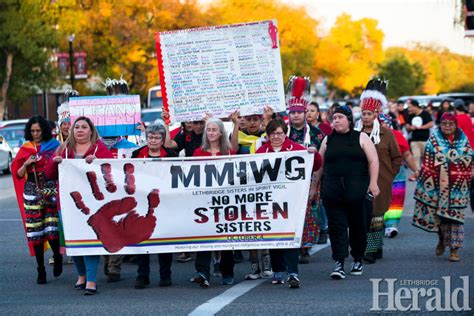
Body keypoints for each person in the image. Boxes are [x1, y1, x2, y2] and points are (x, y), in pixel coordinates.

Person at [45, 116, 114, 295]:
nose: (80, 130)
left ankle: (91, 280)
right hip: (67, 205)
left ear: (91, 130)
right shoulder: (63, 148)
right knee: (74, 240)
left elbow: (112, 170)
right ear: (72, 131)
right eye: (77, 127)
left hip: (93, 204)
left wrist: (97, 162)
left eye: (84, 127)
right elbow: (48, 174)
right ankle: (81, 275)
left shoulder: (99, 148)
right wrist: (55, 162)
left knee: (90, 239)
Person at [314, 105, 379, 280]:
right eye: (334, 118)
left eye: (340, 117)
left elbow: (373, 161)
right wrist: (314, 187)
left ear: (349, 120)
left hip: (358, 192)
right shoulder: (328, 140)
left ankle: (357, 259)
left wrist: (373, 183)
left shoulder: (362, 137)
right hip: (333, 192)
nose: (336, 121)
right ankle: (339, 263)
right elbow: (319, 165)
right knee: (337, 228)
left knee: (359, 227)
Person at [256, 118, 322, 288]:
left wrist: (313, 153)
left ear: (285, 134)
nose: (276, 137)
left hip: (292, 201)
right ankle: (278, 270)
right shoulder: (262, 152)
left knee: (291, 236)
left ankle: (293, 272)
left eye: (279, 133)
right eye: (272, 134)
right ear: (268, 135)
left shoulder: (296, 149)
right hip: (271, 201)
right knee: (273, 237)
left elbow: (315, 165)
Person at [412, 113, 473, 262]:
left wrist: (449, 163)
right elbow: (428, 160)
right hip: (437, 185)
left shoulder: (463, 139)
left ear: (455, 125)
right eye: (444, 124)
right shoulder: (434, 139)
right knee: (440, 218)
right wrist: (450, 162)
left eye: (450, 124)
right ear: (440, 124)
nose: (447, 127)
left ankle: (454, 250)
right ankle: (442, 241)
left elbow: (468, 157)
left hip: (458, 187)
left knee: (456, 219)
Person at [355, 81, 402, 264]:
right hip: (359, 181)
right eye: (363, 114)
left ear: (376, 114)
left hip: (381, 183)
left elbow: (397, 158)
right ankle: (375, 247)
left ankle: (371, 250)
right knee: (363, 218)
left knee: (376, 217)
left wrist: (389, 174)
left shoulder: (387, 134)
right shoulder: (354, 133)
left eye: (369, 114)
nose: (365, 117)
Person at [11, 115, 61, 284]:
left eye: (38, 130)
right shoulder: (25, 149)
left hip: (50, 188)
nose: (35, 134)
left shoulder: (54, 145)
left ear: (44, 130)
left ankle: (57, 256)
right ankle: (40, 269)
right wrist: (26, 164)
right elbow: (18, 175)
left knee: (52, 229)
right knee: (36, 232)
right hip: (32, 190)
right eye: (32, 131)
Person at [191, 117, 236, 288]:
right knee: (203, 236)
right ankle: (202, 272)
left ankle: (227, 272)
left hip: (224, 201)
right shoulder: (198, 152)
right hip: (204, 201)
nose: (210, 132)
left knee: (225, 237)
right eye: (208, 129)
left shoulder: (228, 152)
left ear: (220, 132)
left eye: (214, 129)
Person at [131, 123, 176, 288]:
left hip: (164, 202)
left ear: (163, 139)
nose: (153, 140)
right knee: (142, 239)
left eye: (157, 137)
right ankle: (142, 275)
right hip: (142, 202)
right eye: (150, 137)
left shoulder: (171, 155)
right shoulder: (136, 154)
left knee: (164, 238)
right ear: (146, 138)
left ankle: (165, 275)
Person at [378, 114, 418, 238]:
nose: (380, 125)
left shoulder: (398, 135)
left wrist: (415, 170)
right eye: (378, 122)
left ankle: (391, 225)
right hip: (377, 172)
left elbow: (407, 155)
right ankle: (378, 223)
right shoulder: (368, 136)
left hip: (397, 171)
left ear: (389, 123)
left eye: (383, 122)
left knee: (396, 198)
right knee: (378, 198)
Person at [405, 99, 433, 178]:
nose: (409, 109)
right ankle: (417, 173)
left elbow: (431, 124)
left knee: (427, 157)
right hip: (414, 140)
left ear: (415, 106)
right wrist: (410, 127)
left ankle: (428, 173)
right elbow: (407, 126)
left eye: (410, 107)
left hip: (425, 140)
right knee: (416, 157)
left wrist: (421, 127)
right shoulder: (410, 115)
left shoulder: (425, 114)